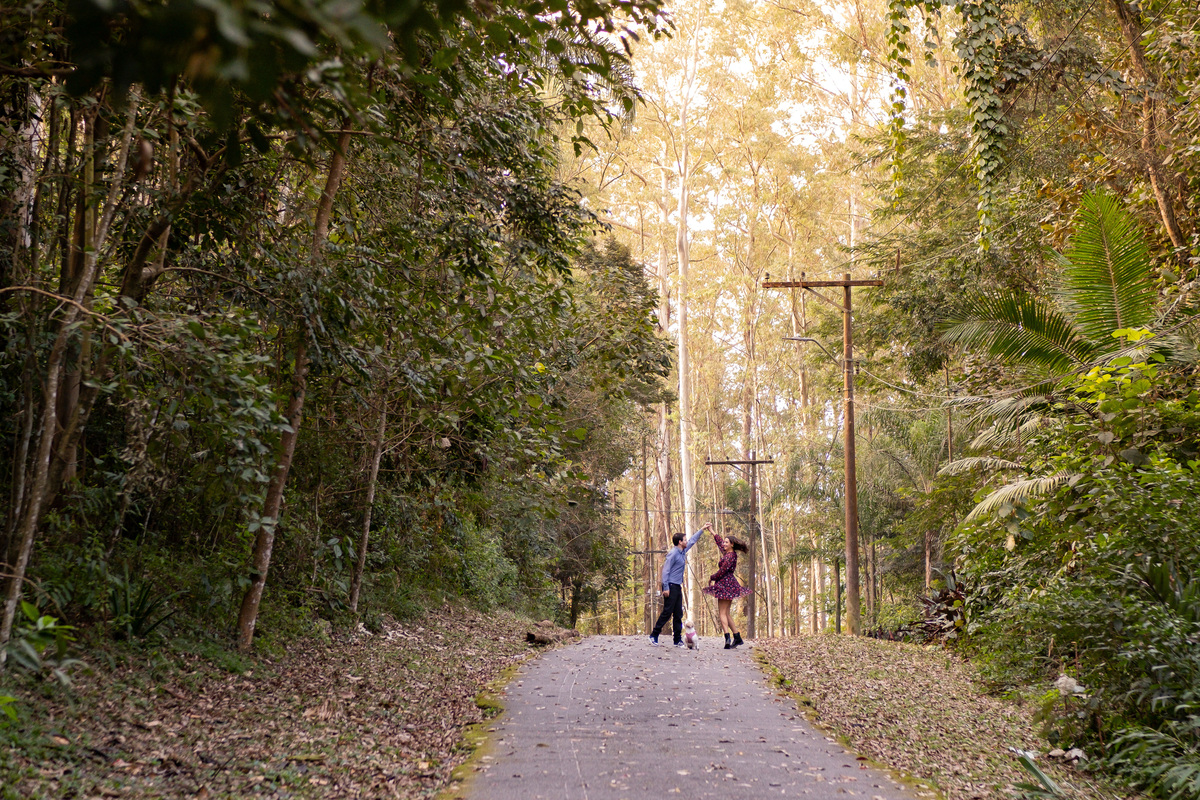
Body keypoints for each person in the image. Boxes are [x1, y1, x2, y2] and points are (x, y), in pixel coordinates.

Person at [649, 522, 711, 647]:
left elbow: (692, 541)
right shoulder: (673, 553)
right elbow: (665, 571)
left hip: (677, 585)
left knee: (678, 613)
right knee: (667, 612)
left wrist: (702, 529)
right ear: (679, 542)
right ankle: (654, 635)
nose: (687, 541)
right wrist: (666, 587)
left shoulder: (682, 551)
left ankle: (677, 640)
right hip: (670, 585)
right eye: (685, 540)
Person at [701, 531, 751, 649]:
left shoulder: (730, 556)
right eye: (724, 542)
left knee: (722, 613)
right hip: (729, 585)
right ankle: (737, 637)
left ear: (732, 544)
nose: (723, 544)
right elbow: (719, 543)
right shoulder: (727, 553)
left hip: (725, 585)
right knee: (726, 613)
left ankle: (727, 637)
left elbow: (722, 571)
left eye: (726, 542)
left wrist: (712, 577)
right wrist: (712, 531)